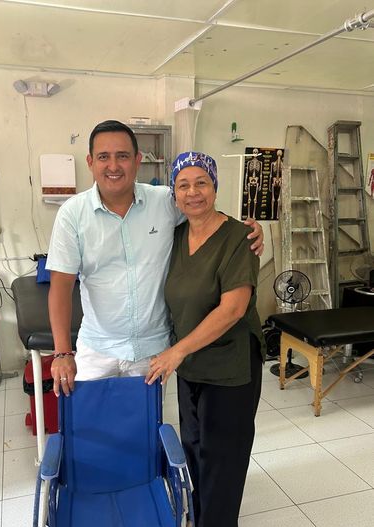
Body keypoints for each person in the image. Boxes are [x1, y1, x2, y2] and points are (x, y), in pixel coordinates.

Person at [46, 120, 264, 396]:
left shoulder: (164, 201)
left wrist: (246, 230)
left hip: (151, 351)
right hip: (98, 349)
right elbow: (61, 286)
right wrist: (62, 352)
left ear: (137, 160)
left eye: (122, 156)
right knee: (93, 421)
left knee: (144, 421)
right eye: (103, 157)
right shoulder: (72, 214)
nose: (113, 166)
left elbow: (203, 211)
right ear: (90, 162)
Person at [145, 151, 266, 527]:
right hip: (191, 360)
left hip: (230, 360)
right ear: (174, 192)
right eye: (183, 185)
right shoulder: (177, 235)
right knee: (194, 442)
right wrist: (179, 351)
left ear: (215, 187)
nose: (193, 192)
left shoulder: (238, 238)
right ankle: (197, 512)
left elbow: (233, 309)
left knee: (223, 447)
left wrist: (176, 351)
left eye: (202, 183)